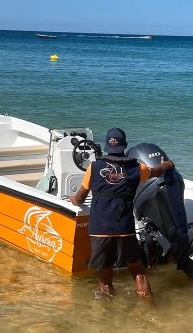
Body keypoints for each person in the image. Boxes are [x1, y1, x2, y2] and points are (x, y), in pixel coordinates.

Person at [70, 127, 175, 298]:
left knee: (105, 273)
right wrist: (168, 164)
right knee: (136, 269)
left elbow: (81, 198)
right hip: (124, 228)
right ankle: (149, 307)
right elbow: (157, 171)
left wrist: (74, 200)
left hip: (100, 230)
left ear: (106, 146)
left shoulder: (94, 167)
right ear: (124, 146)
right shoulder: (136, 168)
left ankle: (110, 315)